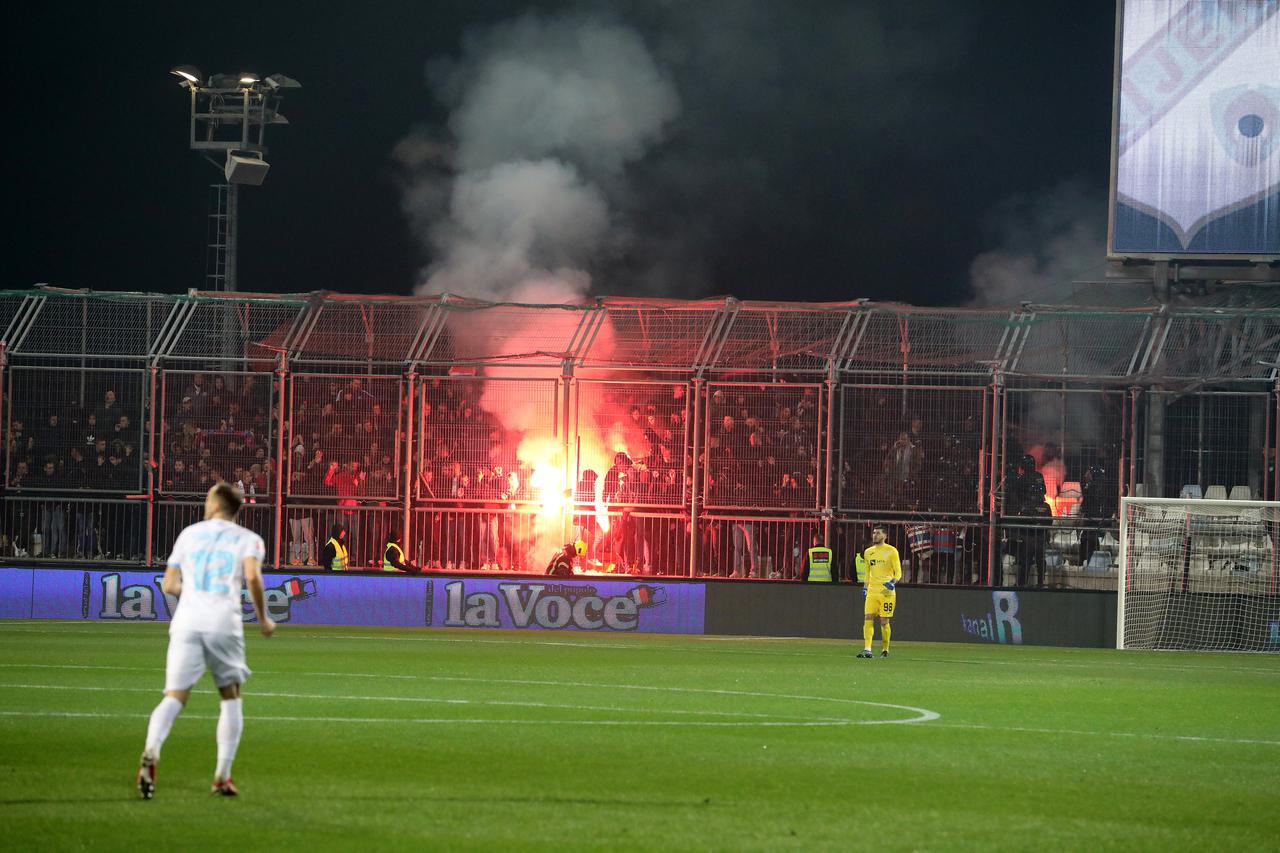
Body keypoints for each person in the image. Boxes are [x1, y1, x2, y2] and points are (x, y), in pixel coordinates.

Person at [135, 482, 274, 800]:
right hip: (223, 622)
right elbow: (252, 577)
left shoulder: (189, 534)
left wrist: (196, 594)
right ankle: (222, 777)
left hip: (187, 621)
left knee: (174, 697)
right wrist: (264, 618)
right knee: (230, 696)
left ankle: (152, 749)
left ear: (214, 504)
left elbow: (170, 584)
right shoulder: (249, 540)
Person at [858, 524, 902, 659]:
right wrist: (865, 587)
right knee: (868, 618)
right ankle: (867, 649)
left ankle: (885, 649)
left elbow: (898, 572)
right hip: (872, 591)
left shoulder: (891, 551)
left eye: (878, 533)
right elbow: (867, 573)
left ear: (885, 536)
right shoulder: (868, 552)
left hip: (886, 592)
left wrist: (893, 582)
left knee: (884, 621)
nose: (874, 535)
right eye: (873, 533)